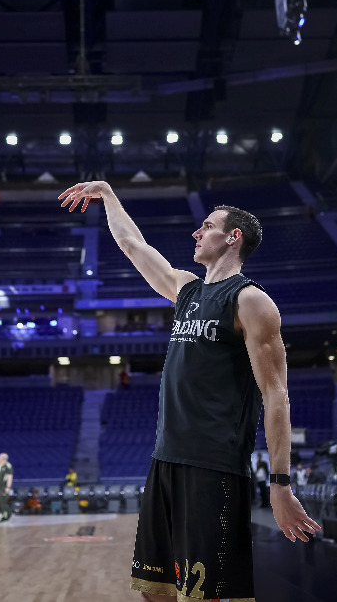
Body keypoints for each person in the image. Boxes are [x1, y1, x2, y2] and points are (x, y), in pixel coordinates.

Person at [58, 182, 320, 601]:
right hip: (165, 458)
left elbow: (276, 396)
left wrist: (280, 484)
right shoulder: (187, 289)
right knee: (155, 591)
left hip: (213, 465)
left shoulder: (251, 301)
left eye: (208, 226)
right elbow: (132, 245)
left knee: (201, 595)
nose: (197, 233)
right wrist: (107, 194)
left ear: (233, 237)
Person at [0, 452, 14, 522]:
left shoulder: (8, 466)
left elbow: (10, 477)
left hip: (4, 487)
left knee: (4, 501)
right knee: (0, 501)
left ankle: (6, 515)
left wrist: (8, 487)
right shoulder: (0, 466)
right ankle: (4, 514)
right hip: (0, 487)